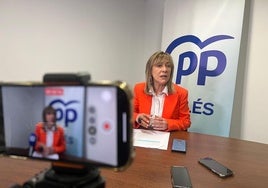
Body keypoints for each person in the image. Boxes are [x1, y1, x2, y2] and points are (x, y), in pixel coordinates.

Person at [133, 51, 191, 131]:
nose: (165, 69)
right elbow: (130, 114)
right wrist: (137, 117)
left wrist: (168, 124)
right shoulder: (139, 88)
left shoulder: (181, 93)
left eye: (168, 66)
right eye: (159, 66)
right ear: (150, 70)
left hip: (167, 138)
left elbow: (186, 122)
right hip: (143, 137)